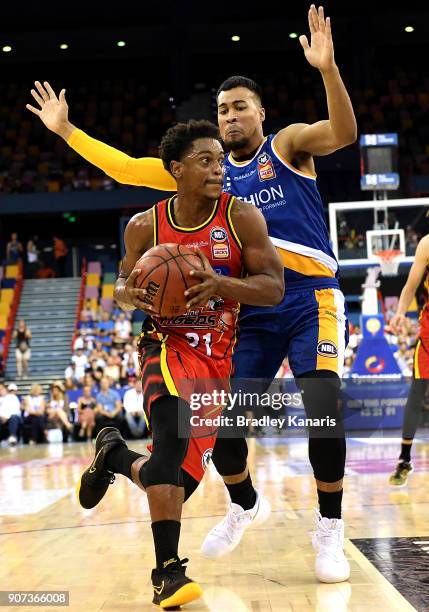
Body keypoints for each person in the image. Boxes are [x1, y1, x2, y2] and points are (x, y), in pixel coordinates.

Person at [26, 5, 354, 584]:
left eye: (239, 107)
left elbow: (344, 134)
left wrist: (327, 70)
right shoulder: (204, 169)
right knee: (226, 439)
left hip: (309, 301)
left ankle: (330, 527)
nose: (229, 117)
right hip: (245, 313)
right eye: (222, 109)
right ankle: (245, 502)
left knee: (323, 409)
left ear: (260, 113)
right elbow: (127, 168)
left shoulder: (288, 146)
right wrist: (66, 131)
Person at [72, 120, 283, 608]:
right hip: (163, 346)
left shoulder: (242, 218)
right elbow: (123, 289)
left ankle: (114, 456)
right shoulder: (145, 226)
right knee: (169, 442)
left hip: (216, 354)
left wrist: (223, 285)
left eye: (219, 160)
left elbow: (272, 287)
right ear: (177, 169)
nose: (218, 169)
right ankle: (166, 572)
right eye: (205, 160)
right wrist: (131, 292)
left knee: (174, 483)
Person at [388, 234, 429, 486]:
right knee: (417, 393)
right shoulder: (426, 244)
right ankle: (404, 459)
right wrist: (401, 313)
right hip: (428, 331)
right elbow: (410, 287)